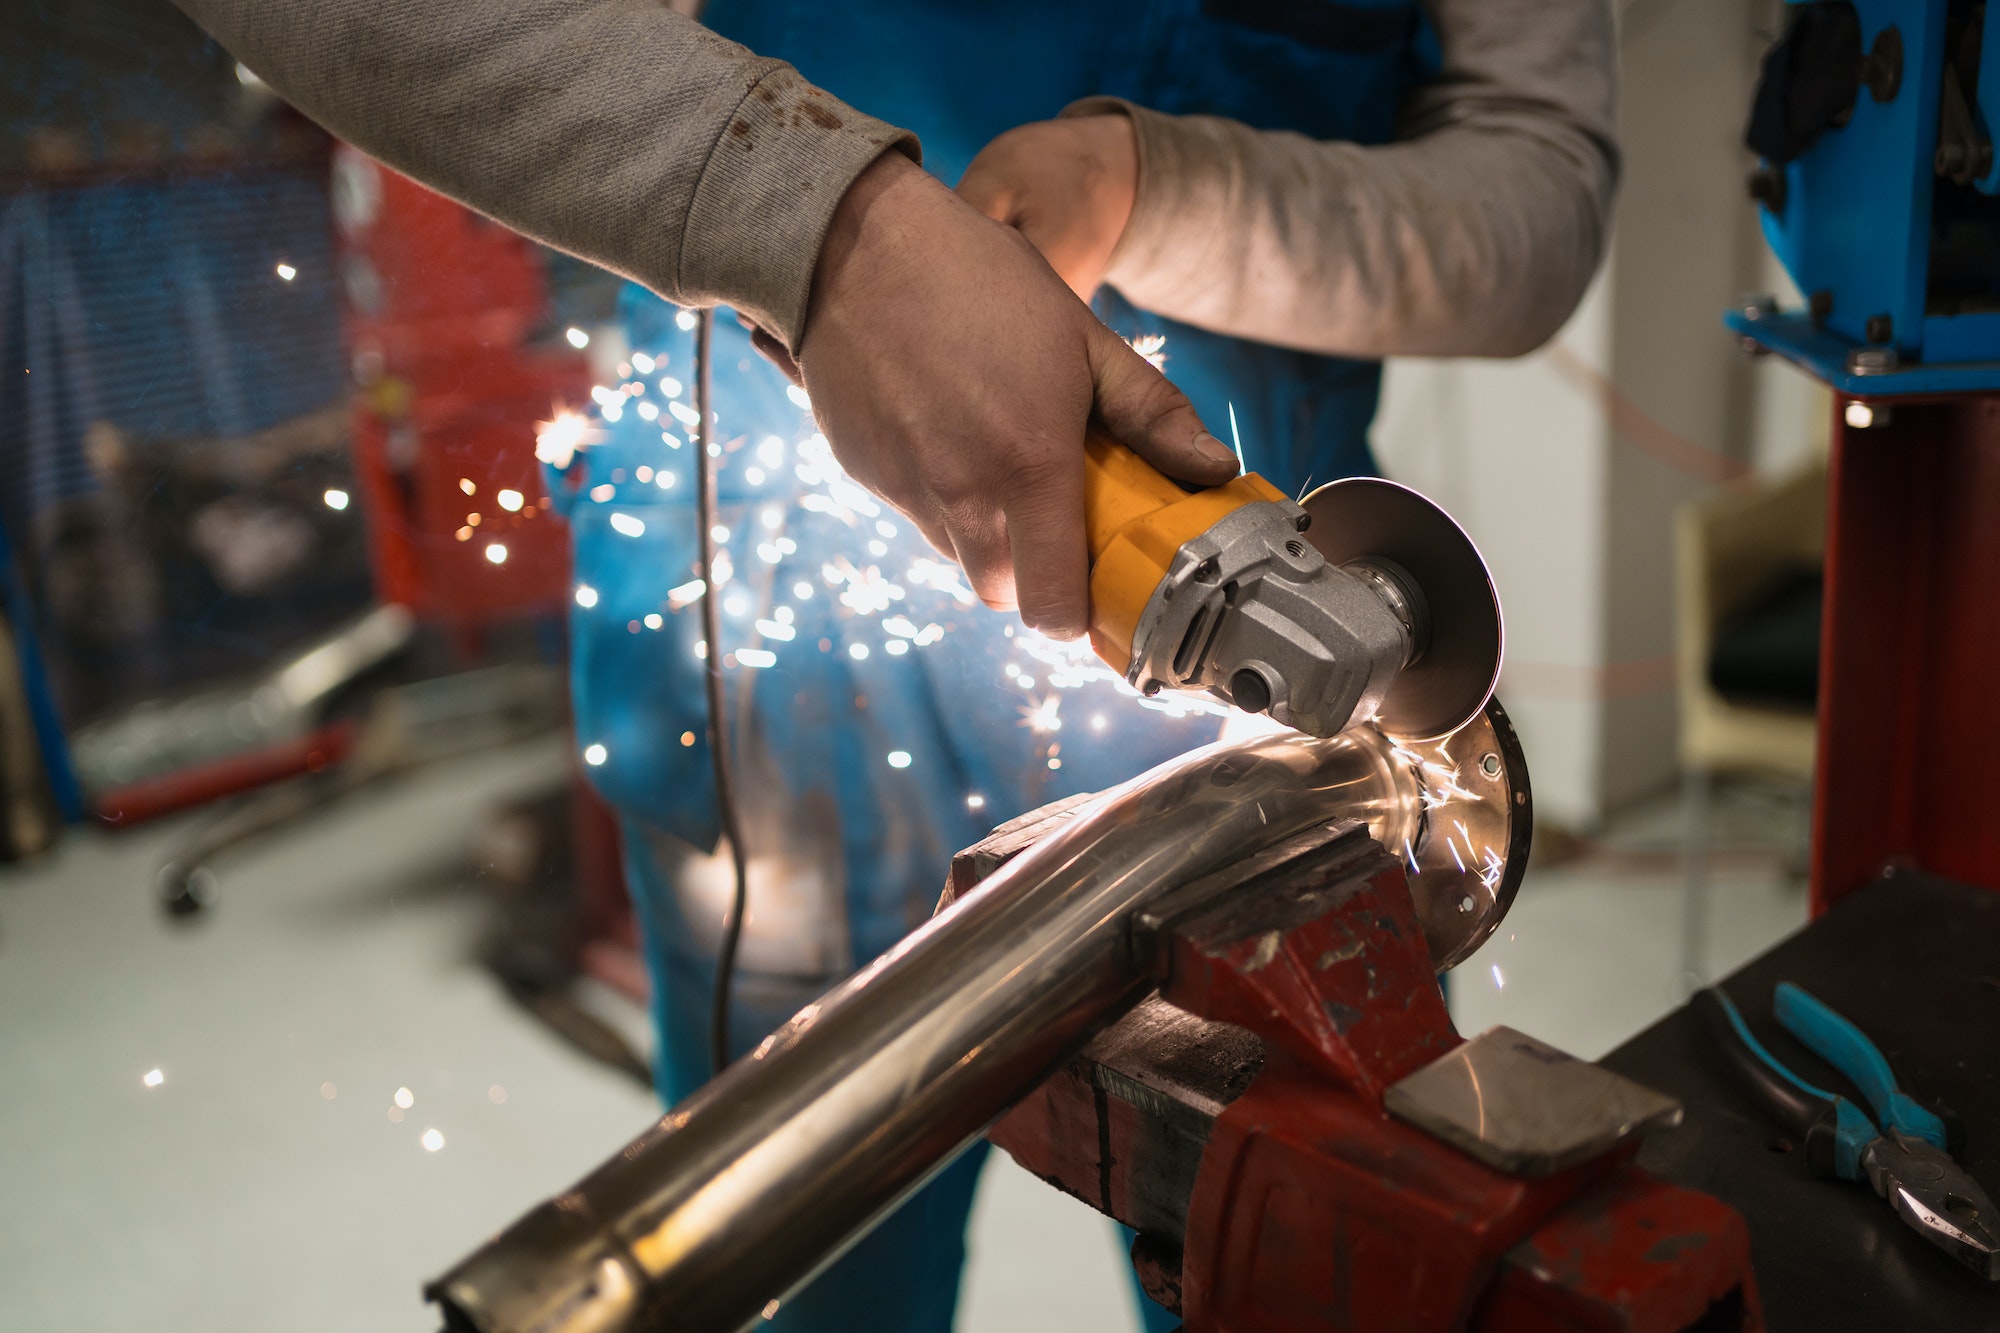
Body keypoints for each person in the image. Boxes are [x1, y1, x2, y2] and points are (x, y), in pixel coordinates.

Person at [169, 1, 1617, 1329]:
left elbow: (1539, 192)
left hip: (1246, 678)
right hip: (778, 668)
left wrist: (1156, 190)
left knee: (1282, 1261)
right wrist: (820, 228)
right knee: (791, 1260)